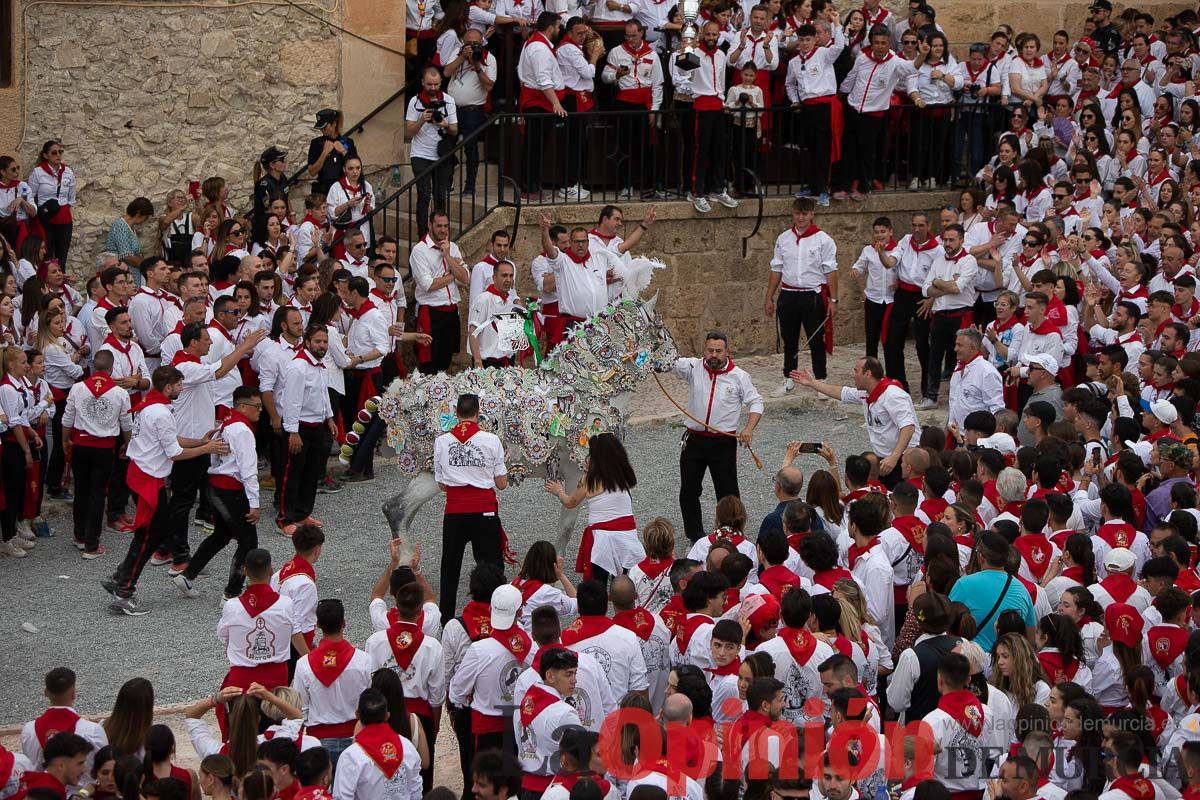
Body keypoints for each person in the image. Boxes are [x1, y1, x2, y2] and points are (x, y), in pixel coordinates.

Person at [102, 366, 229, 616]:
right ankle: (125, 590)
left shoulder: (152, 407)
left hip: (144, 475)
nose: (182, 389)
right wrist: (207, 449)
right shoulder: (161, 412)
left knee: (150, 533)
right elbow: (174, 452)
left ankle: (121, 576)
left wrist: (202, 442)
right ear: (168, 386)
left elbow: (172, 440)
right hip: (149, 478)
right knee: (150, 535)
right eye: (179, 385)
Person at [173, 386, 266, 601]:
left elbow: (215, 454)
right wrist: (254, 503)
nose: (260, 410)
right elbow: (248, 470)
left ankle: (187, 576)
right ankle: (231, 593)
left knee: (221, 535)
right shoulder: (242, 430)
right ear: (243, 406)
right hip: (231, 490)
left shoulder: (226, 423)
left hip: (215, 485)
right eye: (257, 406)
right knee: (248, 542)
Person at [673, 331, 763, 541]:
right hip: (694, 439)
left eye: (718, 351)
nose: (713, 355)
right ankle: (695, 537)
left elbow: (756, 402)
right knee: (689, 490)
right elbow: (666, 363)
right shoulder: (693, 367)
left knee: (728, 492)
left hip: (723, 442)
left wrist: (749, 428)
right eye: (710, 350)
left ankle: (731, 533)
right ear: (704, 350)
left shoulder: (740, 376)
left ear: (727, 352)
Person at [434, 393, 508, 623]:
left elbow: (442, 485)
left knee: (450, 568)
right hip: (484, 511)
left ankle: (446, 619)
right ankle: (496, 615)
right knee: (491, 568)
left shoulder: (442, 441)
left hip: (454, 512)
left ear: (456, 414)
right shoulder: (491, 440)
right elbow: (502, 483)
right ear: (478, 413)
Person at [791, 356, 918, 488]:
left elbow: (908, 427)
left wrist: (894, 456)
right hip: (886, 461)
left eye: (856, 371)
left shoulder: (893, 395)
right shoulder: (867, 393)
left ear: (867, 374)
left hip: (902, 460)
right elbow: (842, 393)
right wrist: (812, 383)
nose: (852, 375)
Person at [545, 433, 643, 582]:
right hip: (627, 534)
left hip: (602, 538)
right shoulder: (624, 474)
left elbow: (570, 502)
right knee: (628, 580)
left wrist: (558, 491)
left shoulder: (590, 479)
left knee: (598, 583)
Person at [62, 351, 132, 559]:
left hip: (81, 444)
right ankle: (92, 544)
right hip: (104, 447)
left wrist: (65, 440)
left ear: (93, 367)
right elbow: (126, 424)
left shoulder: (78, 388)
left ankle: (79, 536)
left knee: (81, 491)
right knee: (98, 493)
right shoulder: (120, 393)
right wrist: (127, 444)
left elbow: (67, 419)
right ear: (111, 369)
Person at [766, 198, 838, 391]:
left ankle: (820, 379)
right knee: (789, 339)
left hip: (812, 295)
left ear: (811, 214)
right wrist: (769, 297)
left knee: (816, 339)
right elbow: (776, 269)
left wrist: (833, 299)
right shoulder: (783, 239)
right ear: (793, 213)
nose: (800, 218)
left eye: (804, 214)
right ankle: (789, 376)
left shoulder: (824, 240)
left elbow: (831, 271)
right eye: (797, 213)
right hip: (789, 294)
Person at [293, 599, 374, 765]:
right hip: (357, 738)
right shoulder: (364, 661)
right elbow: (371, 703)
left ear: (318, 625)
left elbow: (299, 709)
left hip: (318, 741)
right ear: (344, 623)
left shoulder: (303, 665)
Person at [276, 325, 337, 537]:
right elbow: (291, 402)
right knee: (292, 474)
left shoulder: (320, 366)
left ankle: (302, 513)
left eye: (325, 342)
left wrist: (329, 418)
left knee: (312, 472)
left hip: (317, 426)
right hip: (299, 427)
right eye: (318, 341)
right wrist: (293, 432)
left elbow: (323, 394)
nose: (322, 346)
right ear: (307, 342)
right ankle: (285, 518)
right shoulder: (298, 367)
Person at [920, 224, 979, 408]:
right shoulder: (938, 261)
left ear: (961, 240)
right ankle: (931, 396)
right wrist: (945, 284)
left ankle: (960, 397)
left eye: (951, 240)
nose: (947, 243)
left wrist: (937, 283)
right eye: (945, 240)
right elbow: (925, 289)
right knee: (934, 357)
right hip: (940, 315)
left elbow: (958, 288)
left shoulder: (969, 261)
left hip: (960, 314)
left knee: (961, 357)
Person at [948, 532, 1036, 652]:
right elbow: (1030, 640)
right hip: (1009, 664)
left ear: (981, 557)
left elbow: (947, 625)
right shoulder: (1022, 591)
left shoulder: (963, 584)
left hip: (972, 662)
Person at [512, 648, 583, 795]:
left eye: (575, 673)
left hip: (526, 786)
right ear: (550, 676)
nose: (574, 680)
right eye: (568, 674)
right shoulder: (565, 713)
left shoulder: (525, 702)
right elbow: (581, 756)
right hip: (554, 789)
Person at [331, 689, 423, 800]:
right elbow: (416, 792)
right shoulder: (408, 748)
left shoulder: (351, 756)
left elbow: (341, 797)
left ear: (357, 715)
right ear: (387, 716)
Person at [516, 13, 567, 200]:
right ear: (550, 27)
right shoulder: (539, 48)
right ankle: (530, 188)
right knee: (534, 148)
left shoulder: (537, 44)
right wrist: (556, 103)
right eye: (558, 26)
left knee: (536, 147)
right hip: (539, 104)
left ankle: (532, 186)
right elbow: (543, 80)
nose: (559, 30)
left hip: (539, 103)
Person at [411, 211, 469, 375]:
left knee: (446, 359)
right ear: (430, 226)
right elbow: (429, 285)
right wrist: (452, 274)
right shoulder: (420, 251)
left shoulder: (453, 247)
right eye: (439, 226)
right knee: (429, 362)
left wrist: (448, 257)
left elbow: (465, 278)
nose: (443, 230)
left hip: (451, 311)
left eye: (446, 226)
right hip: (431, 312)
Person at [19, 668, 109, 770]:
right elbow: (104, 767)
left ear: (46, 693)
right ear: (73, 693)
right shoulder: (93, 731)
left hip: (41, 785)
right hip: (83, 787)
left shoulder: (28, 730)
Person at [442, 27, 496, 196]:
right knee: (445, 145)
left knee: (470, 148)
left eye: (475, 44)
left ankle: (470, 186)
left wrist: (477, 66)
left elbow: (489, 86)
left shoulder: (489, 59)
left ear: (482, 43)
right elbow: (446, 72)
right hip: (451, 109)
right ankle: (447, 182)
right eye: (468, 43)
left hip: (473, 110)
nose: (472, 47)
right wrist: (462, 57)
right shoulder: (457, 53)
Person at [405, 68, 458, 239]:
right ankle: (423, 235)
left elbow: (455, 130)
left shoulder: (448, 101)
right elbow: (409, 133)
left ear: (441, 83)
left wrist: (443, 124)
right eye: (429, 84)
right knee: (424, 194)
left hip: (442, 155)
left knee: (440, 196)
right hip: (420, 154)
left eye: (436, 84)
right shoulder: (415, 101)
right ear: (422, 83)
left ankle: (440, 233)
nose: (433, 88)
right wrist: (422, 119)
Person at [26, 140, 77, 266]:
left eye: (60, 152)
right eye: (54, 153)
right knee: (47, 255)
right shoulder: (38, 173)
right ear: (45, 155)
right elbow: (30, 195)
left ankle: (60, 282)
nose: (58, 155)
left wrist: (65, 207)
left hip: (64, 218)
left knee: (62, 256)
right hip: (47, 218)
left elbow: (71, 196)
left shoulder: (68, 172)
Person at [947, 327, 1004, 433]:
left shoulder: (987, 372)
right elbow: (954, 400)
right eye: (956, 344)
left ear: (972, 348)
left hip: (977, 437)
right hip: (956, 432)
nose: (955, 349)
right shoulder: (958, 367)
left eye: (959, 345)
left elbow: (996, 409)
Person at [467, 260, 521, 368]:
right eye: (504, 275)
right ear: (494, 278)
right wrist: (478, 362)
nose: (508, 279)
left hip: (507, 362)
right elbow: (473, 332)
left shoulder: (509, 301)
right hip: (487, 363)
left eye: (511, 276)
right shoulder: (484, 299)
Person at [307, 109, 358, 197]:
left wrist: (343, 151)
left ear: (334, 123)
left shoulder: (348, 142)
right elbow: (312, 172)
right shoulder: (316, 143)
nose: (322, 130)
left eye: (325, 127)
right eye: (320, 128)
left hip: (343, 189)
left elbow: (356, 168)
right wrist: (324, 154)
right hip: (324, 191)